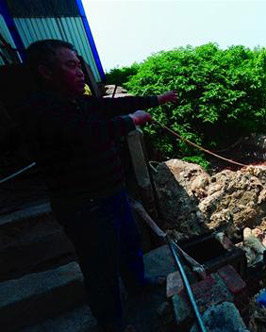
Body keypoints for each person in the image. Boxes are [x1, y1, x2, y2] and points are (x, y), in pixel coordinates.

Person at [21, 39, 177, 331]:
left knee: (130, 244)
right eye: (71, 65)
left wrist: (156, 99)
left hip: (112, 193)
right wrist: (130, 122)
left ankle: (138, 285)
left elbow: (111, 107)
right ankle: (112, 323)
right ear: (46, 71)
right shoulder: (40, 109)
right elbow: (87, 133)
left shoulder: (78, 100)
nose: (79, 72)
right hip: (84, 205)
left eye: (79, 65)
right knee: (100, 267)